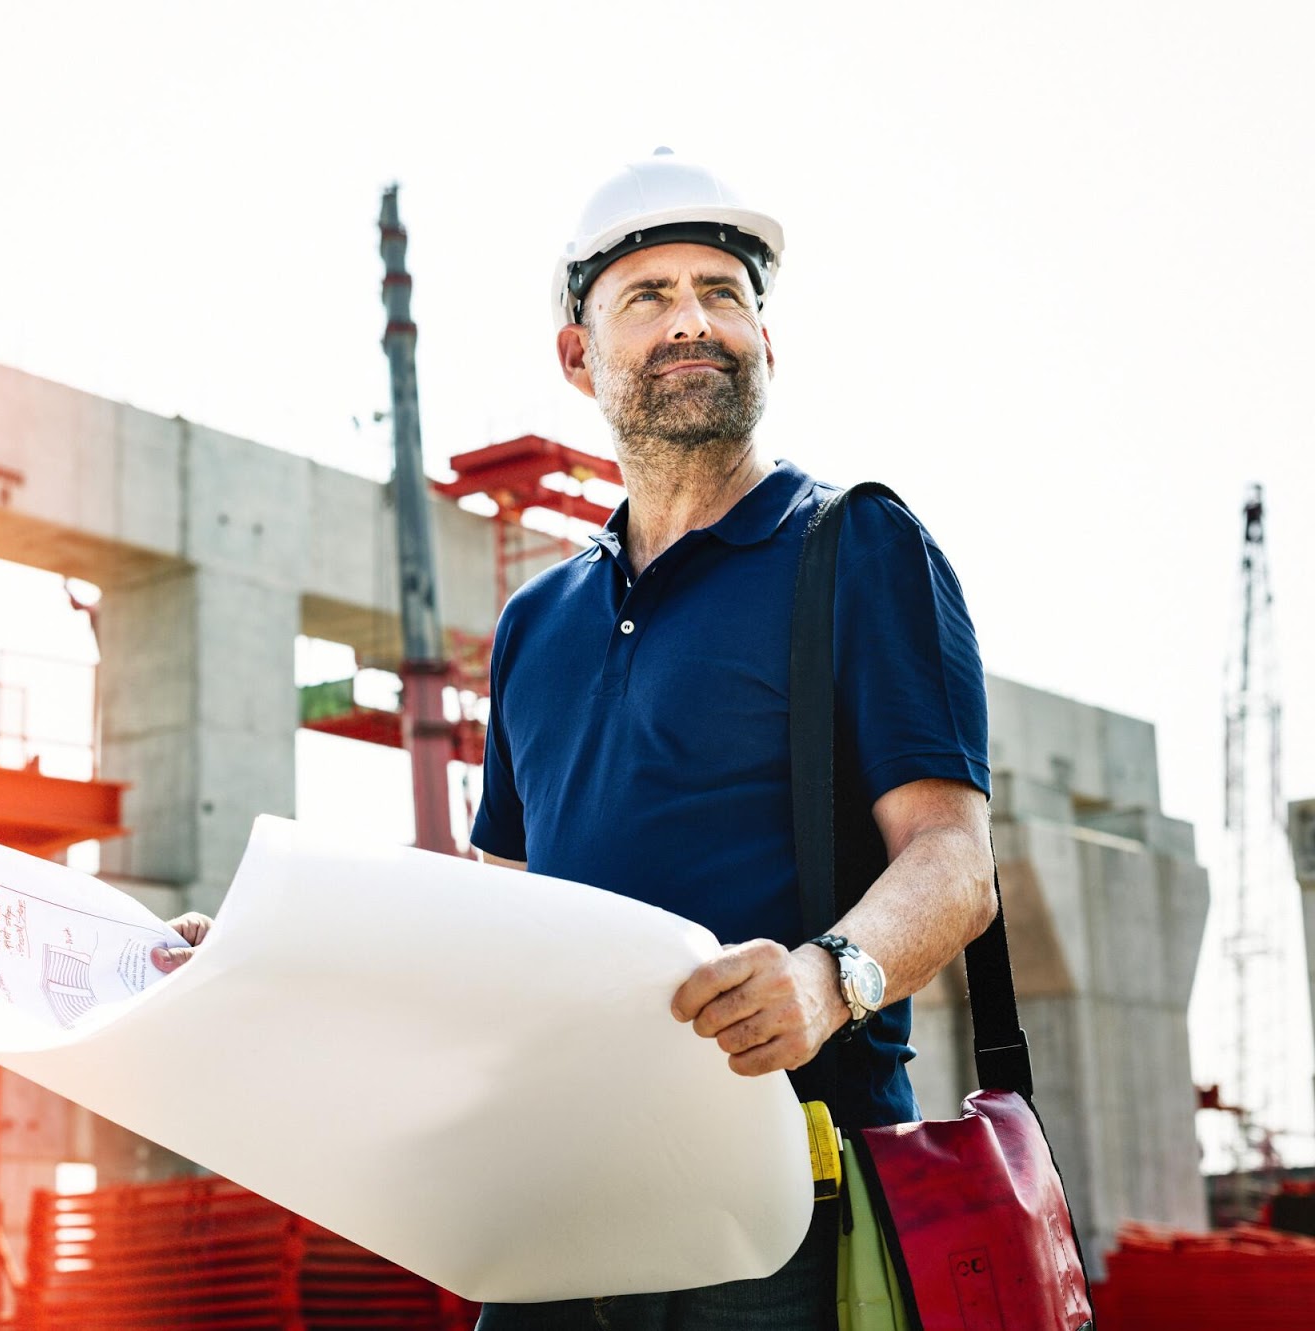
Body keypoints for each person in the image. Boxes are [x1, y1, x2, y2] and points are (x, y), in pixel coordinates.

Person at [155, 149, 997, 1330]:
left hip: (776, 1213)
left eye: (722, 292)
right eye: (648, 297)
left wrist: (825, 977)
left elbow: (956, 863)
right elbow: (486, 928)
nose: (692, 322)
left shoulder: (854, 549)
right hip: (560, 1202)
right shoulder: (535, 625)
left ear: (766, 338)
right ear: (577, 355)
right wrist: (265, 957)